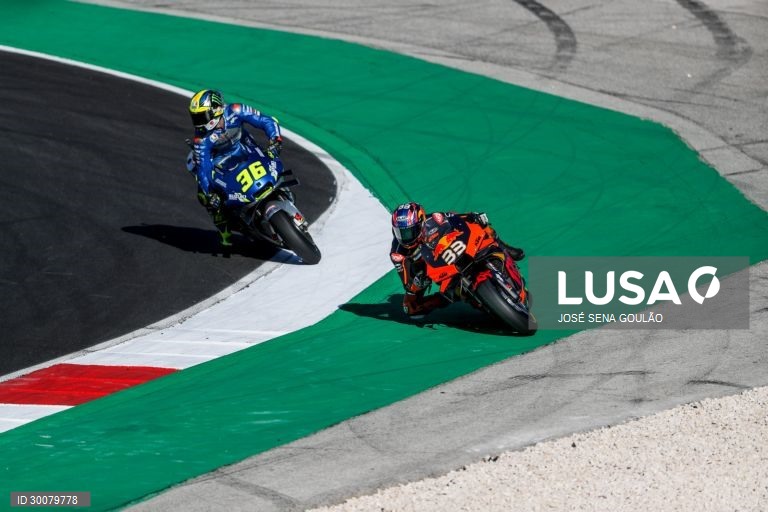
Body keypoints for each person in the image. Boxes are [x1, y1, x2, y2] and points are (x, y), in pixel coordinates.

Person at [390, 202, 525, 318]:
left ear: (420, 222)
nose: (405, 238)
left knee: (480, 221)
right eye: (399, 232)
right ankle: (449, 298)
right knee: (409, 308)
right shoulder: (397, 254)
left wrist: (473, 216)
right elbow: (407, 284)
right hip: (435, 270)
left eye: (409, 232)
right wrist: (417, 283)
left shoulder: (435, 218)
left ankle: (503, 246)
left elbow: (455, 217)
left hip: (454, 250)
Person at [186, 89, 284, 247]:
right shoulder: (201, 139)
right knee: (205, 196)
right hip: (221, 161)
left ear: (216, 109)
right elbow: (204, 169)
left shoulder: (235, 110)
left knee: (273, 157)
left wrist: (275, 140)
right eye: (195, 118)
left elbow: (265, 120)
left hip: (246, 148)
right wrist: (210, 193)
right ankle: (223, 228)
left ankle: (280, 185)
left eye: (201, 116)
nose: (198, 123)